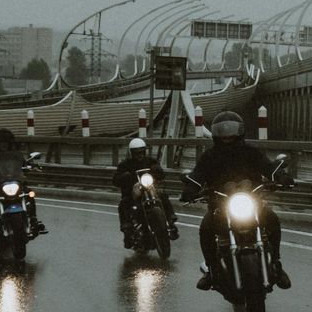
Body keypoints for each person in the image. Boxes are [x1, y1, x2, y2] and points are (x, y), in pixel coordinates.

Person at [183, 110, 291, 291]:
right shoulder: (210, 156)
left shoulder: (251, 152)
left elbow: (268, 167)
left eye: (231, 129)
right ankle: (211, 270)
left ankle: (277, 265)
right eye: (222, 131)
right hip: (220, 205)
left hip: (252, 202)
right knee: (206, 229)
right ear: (216, 134)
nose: (227, 135)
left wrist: (280, 176)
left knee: (272, 219)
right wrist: (190, 188)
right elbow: (198, 174)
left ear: (240, 131)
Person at [0, 127, 46, 237]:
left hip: (16, 182)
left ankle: (33, 219)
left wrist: (32, 166)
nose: (4, 144)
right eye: (1, 142)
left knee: (30, 193)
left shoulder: (16, 154)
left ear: (10, 142)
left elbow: (24, 163)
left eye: (6, 142)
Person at [113, 136, 179, 248]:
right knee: (124, 204)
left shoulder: (150, 161)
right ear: (131, 153)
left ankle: (170, 220)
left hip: (149, 189)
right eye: (136, 153)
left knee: (162, 195)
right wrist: (124, 177)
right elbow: (115, 180)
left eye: (141, 152)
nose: (140, 155)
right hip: (132, 193)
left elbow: (161, 173)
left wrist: (157, 170)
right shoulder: (125, 165)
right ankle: (127, 230)